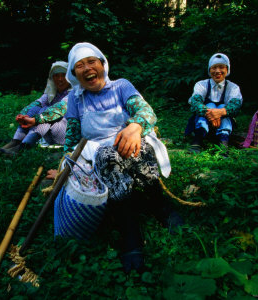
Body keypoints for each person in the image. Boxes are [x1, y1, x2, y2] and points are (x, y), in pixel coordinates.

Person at [60, 42, 182, 274]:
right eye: (79, 65)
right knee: (106, 156)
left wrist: (135, 126)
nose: (87, 68)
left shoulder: (121, 86)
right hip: (99, 154)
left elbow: (147, 112)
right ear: (74, 74)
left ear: (103, 64)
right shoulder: (76, 99)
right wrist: (65, 165)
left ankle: (159, 204)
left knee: (142, 149)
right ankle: (129, 229)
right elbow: (72, 136)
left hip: (130, 142)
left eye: (91, 62)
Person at [0, 61, 71, 155]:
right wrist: (23, 116)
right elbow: (37, 103)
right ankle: (15, 142)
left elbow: (58, 110)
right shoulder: (52, 93)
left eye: (63, 75)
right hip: (51, 134)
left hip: (66, 135)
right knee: (36, 108)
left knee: (46, 111)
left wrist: (34, 120)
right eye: (56, 76)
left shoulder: (72, 94)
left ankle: (23, 147)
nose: (60, 79)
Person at [186, 53, 243, 153]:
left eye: (221, 67)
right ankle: (197, 141)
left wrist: (220, 112)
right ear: (209, 70)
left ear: (227, 69)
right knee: (210, 105)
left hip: (223, 124)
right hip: (203, 124)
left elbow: (235, 105)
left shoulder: (233, 87)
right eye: (214, 68)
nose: (217, 71)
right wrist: (211, 113)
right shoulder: (201, 85)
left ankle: (223, 143)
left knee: (222, 106)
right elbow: (195, 102)